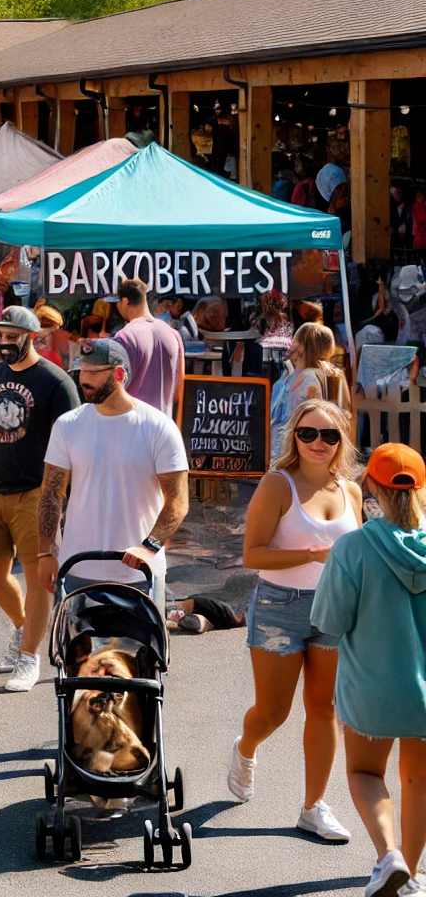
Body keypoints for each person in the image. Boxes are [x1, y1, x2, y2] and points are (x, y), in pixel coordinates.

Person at [228, 399, 358, 843]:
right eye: (308, 434)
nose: (318, 443)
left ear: (342, 440)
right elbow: (252, 555)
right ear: (294, 438)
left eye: (329, 435)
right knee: (272, 714)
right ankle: (246, 749)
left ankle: (313, 807)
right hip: (279, 608)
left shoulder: (350, 491)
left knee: (325, 709)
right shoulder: (277, 484)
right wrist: (313, 555)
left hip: (335, 609)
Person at [309, 443, 426, 895]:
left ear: (371, 485)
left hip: (371, 688)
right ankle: (412, 879)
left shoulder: (353, 547)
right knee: (418, 780)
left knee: (365, 773)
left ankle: (388, 856)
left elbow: (330, 621)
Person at [0, 305, 81, 692]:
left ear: (32, 337)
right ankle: (26, 631)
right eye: (1, 336)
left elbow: (74, 445)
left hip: (36, 495)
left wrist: (65, 498)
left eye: (12, 337)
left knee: (39, 578)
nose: (4, 343)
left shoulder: (57, 383)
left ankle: (29, 657)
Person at [36, 339, 190, 608]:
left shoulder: (158, 427)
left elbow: (178, 500)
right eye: (82, 370)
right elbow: (51, 493)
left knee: (141, 651)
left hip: (139, 574)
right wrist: (44, 552)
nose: (84, 379)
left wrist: (149, 547)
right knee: (72, 650)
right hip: (77, 569)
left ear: (118, 374)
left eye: (94, 372)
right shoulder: (68, 425)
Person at [269, 322, 351, 458]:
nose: (290, 345)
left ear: (303, 346)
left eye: (295, 341)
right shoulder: (293, 374)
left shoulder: (309, 378)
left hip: (295, 450)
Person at [111, 278, 184, 420]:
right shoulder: (173, 334)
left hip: (132, 426)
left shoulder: (124, 337)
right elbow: (178, 390)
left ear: (125, 301)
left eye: (118, 303)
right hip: (164, 427)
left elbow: (115, 390)